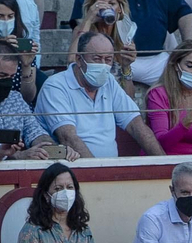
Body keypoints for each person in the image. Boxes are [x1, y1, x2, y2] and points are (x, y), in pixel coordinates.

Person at [37, 31, 166, 158]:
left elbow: (136, 126)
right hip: (73, 172)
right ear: (79, 59)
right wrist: (98, 173)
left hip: (107, 171)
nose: (103, 65)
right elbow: (68, 138)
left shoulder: (109, 81)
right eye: (97, 59)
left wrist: (164, 165)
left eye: (108, 59)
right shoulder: (55, 86)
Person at [16, 163, 102, 243]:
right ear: (46, 195)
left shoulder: (83, 231)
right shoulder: (33, 231)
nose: (66, 193)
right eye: (58, 188)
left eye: (69, 187)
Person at [0, 40, 55, 160]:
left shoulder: (16, 98)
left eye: (11, 76)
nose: (7, 81)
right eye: (2, 76)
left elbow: (35, 132)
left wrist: (52, 149)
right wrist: (20, 155)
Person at [66, 0, 140, 83]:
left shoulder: (124, 33)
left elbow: (129, 95)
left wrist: (126, 67)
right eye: (101, 4)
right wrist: (88, 20)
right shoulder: (82, 29)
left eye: (112, 4)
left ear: (120, 8)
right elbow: (71, 61)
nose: (107, 8)